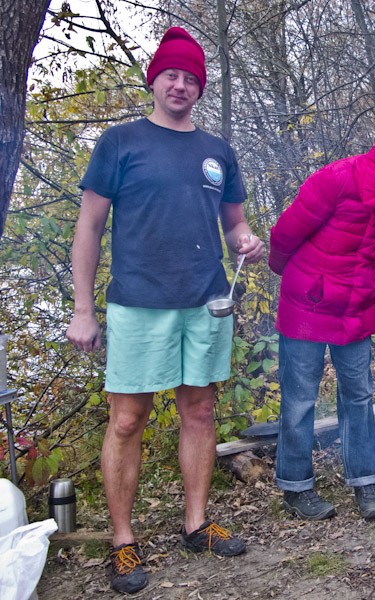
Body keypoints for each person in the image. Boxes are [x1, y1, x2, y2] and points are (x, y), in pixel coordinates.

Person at [66, 27, 264, 594]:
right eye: (171, 74)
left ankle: (196, 523)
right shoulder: (120, 143)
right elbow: (89, 226)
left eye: (191, 78)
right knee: (128, 419)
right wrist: (83, 307)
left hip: (206, 300)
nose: (180, 85)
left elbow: (235, 224)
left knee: (200, 411)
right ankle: (123, 541)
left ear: (200, 88)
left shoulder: (217, 151)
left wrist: (247, 240)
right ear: (154, 80)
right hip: (138, 304)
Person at [269, 135, 375, 520]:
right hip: (307, 304)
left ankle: (365, 481)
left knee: (359, 396)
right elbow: (284, 235)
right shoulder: (334, 180)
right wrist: (299, 279)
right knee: (299, 400)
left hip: (355, 303)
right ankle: (297, 487)